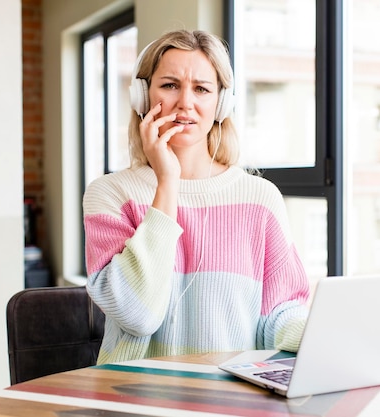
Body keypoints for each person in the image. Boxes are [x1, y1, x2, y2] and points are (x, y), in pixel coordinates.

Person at [83, 29, 310, 365]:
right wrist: (167, 181)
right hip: (135, 396)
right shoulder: (110, 194)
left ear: (221, 103)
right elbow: (137, 315)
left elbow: (278, 315)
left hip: (230, 396)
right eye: (170, 85)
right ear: (142, 97)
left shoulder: (261, 199)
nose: (185, 102)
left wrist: (324, 335)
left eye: (202, 89)